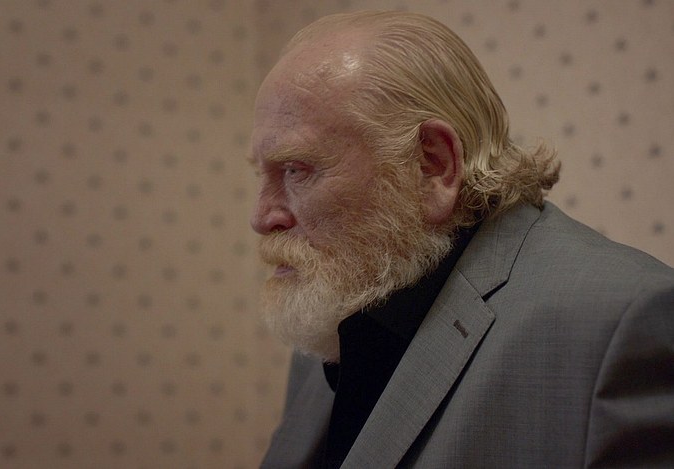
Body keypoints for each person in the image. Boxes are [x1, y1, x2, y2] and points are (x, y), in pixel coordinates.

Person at [249, 10, 674, 469]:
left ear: (431, 166)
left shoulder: (622, 324)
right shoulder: (333, 306)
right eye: (262, 174)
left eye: (296, 170)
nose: (262, 217)